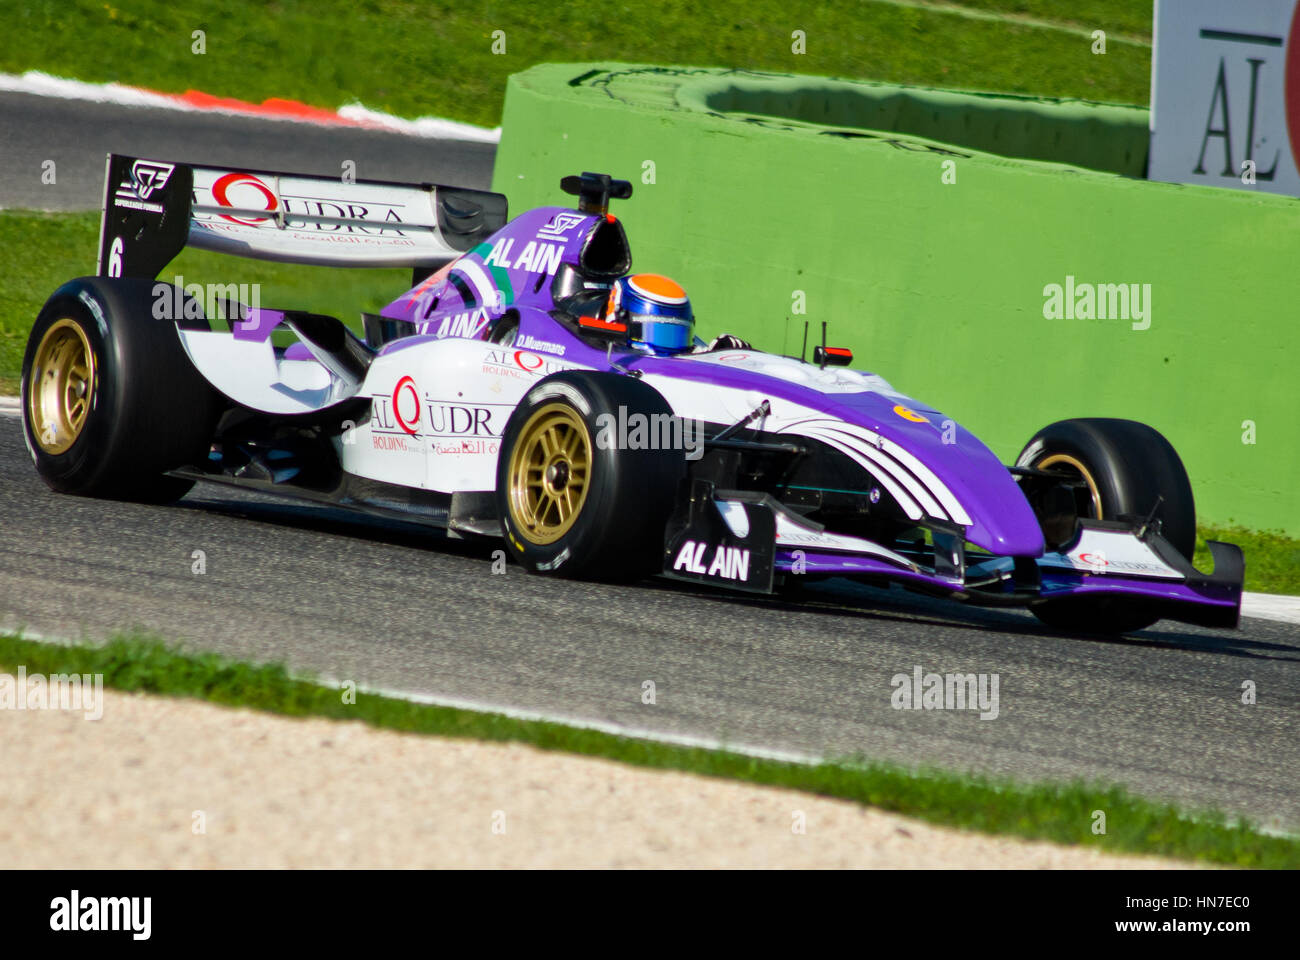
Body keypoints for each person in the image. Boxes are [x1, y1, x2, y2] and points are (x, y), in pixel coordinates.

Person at [602, 273, 751, 355]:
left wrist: (726, 354)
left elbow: (693, 353)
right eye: (659, 334)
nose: (670, 348)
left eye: (677, 335)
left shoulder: (687, 350)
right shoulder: (608, 358)